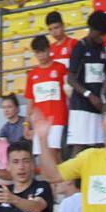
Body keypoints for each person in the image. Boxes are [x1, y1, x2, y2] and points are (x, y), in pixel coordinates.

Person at [65, 12, 106, 153]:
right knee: (79, 150)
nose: (103, 38)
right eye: (101, 35)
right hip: (81, 107)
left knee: (99, 147)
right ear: (93, 30)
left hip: (96, 106)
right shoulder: (80, 47)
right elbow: (70, 78)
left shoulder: (101, 48)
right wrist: (89, 95)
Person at [25, 35, 69, 168]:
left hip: (58, 120)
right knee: (44, 159)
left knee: (55, 156)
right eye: (37, 52)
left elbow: (68, 93)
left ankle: (63, 185)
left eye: (43, 51)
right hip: (40, 123)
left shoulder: (60, 68)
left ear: (49, 49)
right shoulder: (32, 75)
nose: (41, 55)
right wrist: (27, 125)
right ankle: (52, 187)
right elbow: (30, 103)